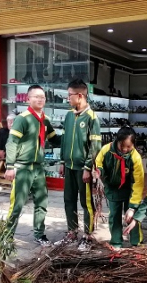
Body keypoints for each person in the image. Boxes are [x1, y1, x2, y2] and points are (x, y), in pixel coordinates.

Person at [4, 84, 61, 246]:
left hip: (39, 169)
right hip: (22, 169)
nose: (40, 99)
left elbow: (54, 139)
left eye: (42, 97)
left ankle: (39, 235)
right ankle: (6, 237)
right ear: (28, 99)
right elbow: (12, 142)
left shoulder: (45, 120)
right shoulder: (22, 119)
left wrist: (75, 138)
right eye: (36, 96)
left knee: (42, 203)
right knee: (17, 205)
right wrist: (9, 166)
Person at [55, 79, 101, 251]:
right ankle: (72, 231)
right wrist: (62, 161)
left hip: (83, 169)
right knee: (68, 200)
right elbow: (65, 140)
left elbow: (95, 146)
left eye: (70, 95)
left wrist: (88, 167)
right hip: (68, 167)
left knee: (87, 202)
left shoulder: (92, 118)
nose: (68, 99)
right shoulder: (68, 115)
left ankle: (88, 235)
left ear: (80, 95)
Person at [94, 126, 144, 251]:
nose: (126, 149)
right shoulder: (106, 150)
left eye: (129, 146)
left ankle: (136, 241)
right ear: (117, 141)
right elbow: (98, 162)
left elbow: (138, 182)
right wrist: (98, 171)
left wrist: (132, 207)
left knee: (131, 217)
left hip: (130, 190)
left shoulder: (135, 157)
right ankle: (116, 241)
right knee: (114, 216)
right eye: (123, 146)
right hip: (113, 188)